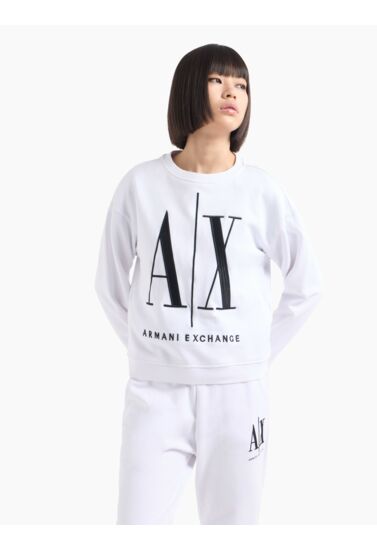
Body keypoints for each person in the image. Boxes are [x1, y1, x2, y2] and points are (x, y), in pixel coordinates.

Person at [94, 43, 323, 525]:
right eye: (218, 80)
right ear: (187, 89)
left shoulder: (262, 190)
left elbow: (306, 286)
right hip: (154, 394)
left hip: (238, 396)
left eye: (241, 85)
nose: (232, 92)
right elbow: (109, 285)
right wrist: (149, 349)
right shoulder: (140, 185)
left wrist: (254, 352)